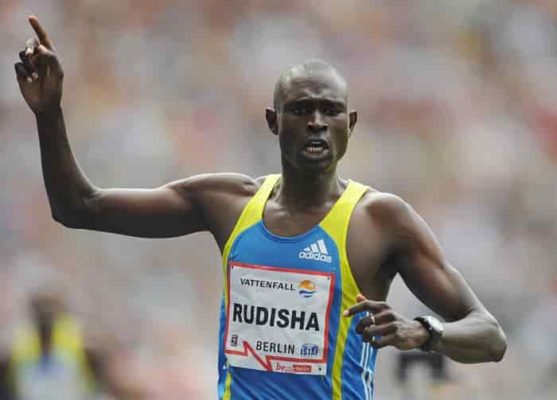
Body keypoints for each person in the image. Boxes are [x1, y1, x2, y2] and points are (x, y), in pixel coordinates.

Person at [14, 15, 506, 400]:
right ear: (273, 121)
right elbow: (79, 206)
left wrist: (422, 331)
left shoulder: (380, 220)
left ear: (350, 124)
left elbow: (488, 335)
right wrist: (49, 113)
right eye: (300, 109)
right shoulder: (226, 204)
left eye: (330, 110)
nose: (316, 121)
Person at [0, 289, 141, 400]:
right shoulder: (18, 348)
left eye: (50, 313)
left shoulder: (81, 345)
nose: (45, 319)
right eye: (41, 313)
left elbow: (112, 384)